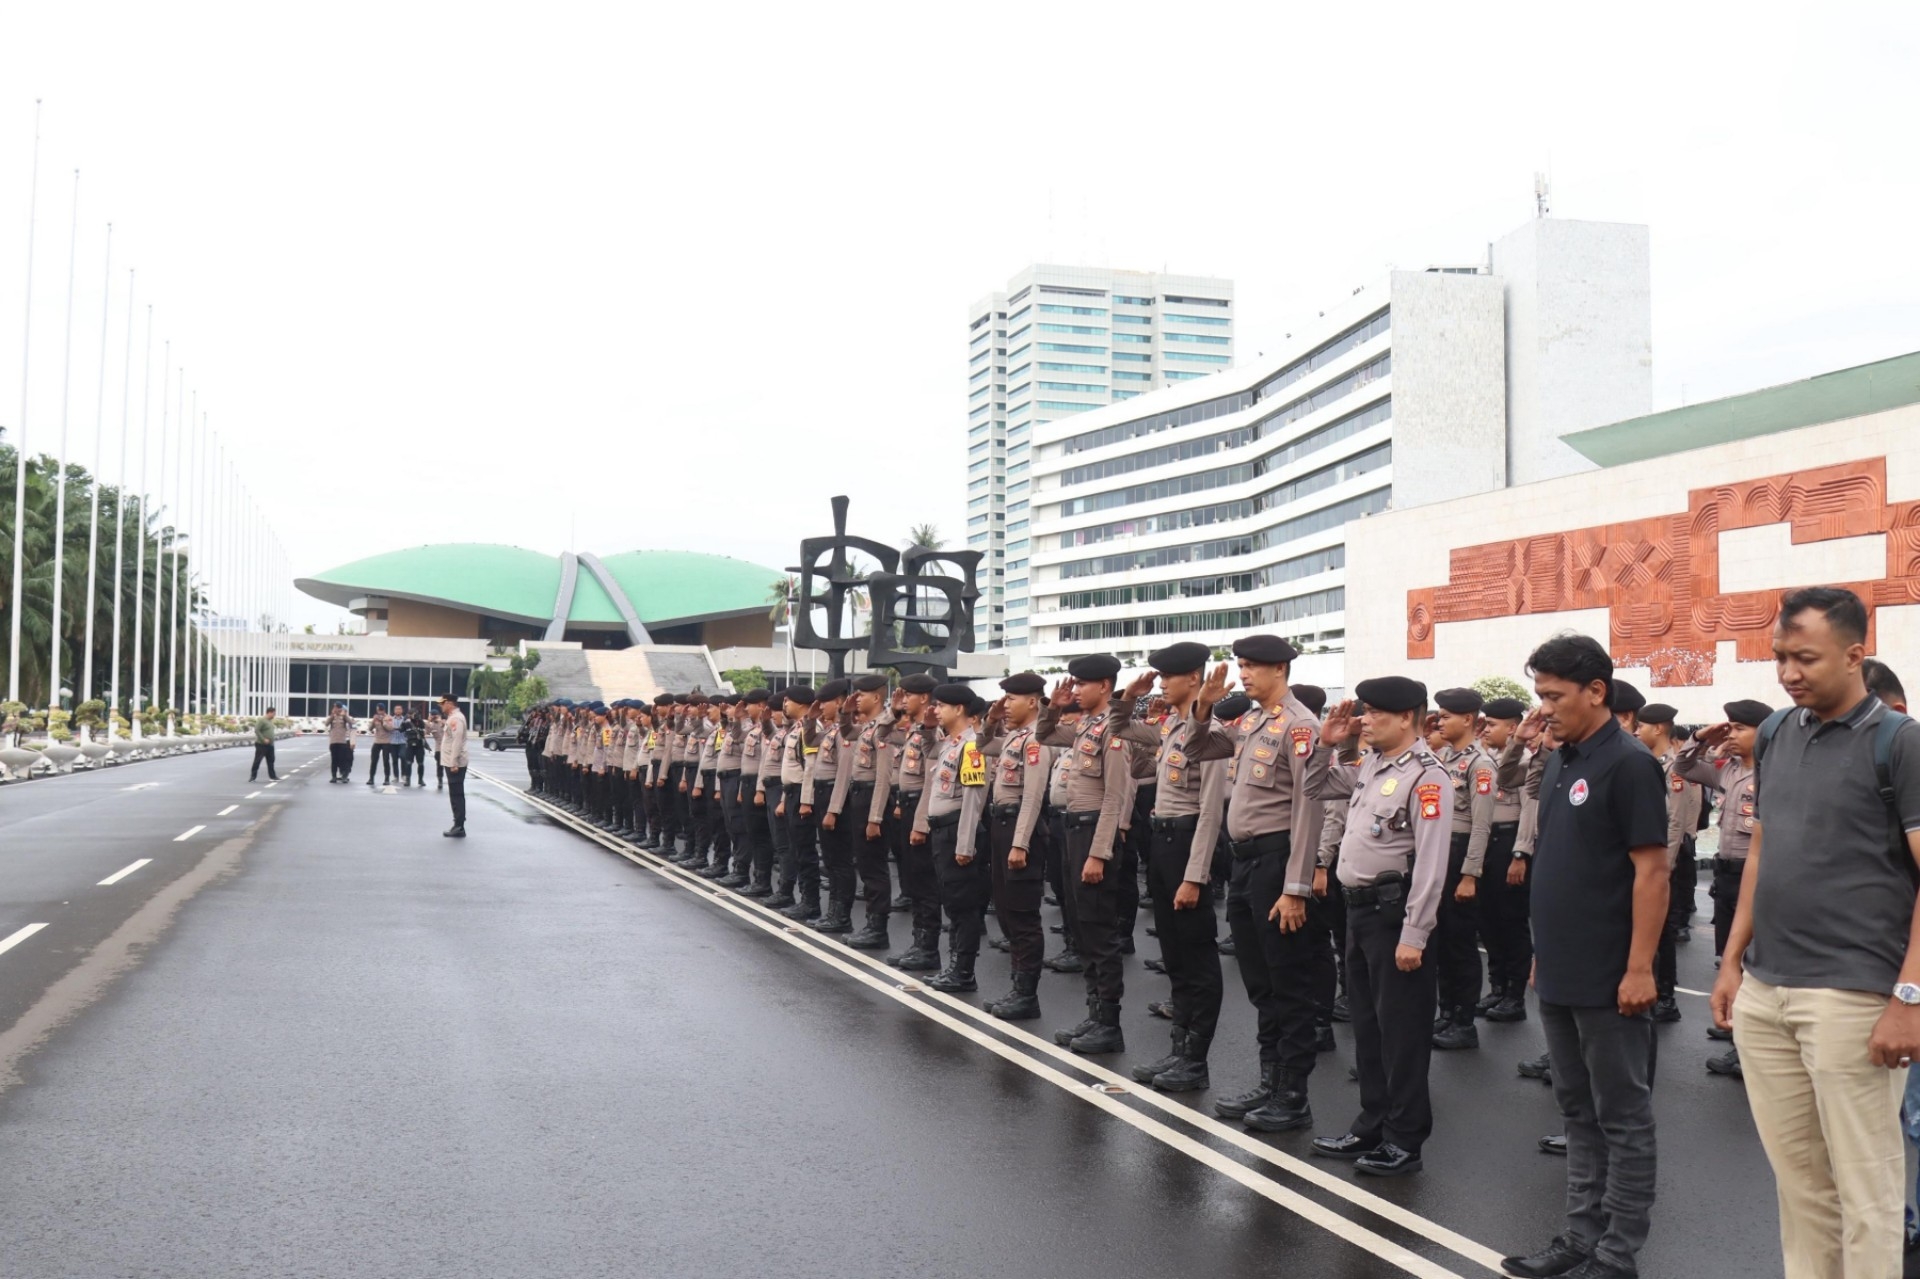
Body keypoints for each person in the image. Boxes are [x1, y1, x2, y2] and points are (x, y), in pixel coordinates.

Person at [1710, 587, 1920, 1279]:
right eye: (1779, 657)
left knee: (1869, 1190)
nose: (1788, 672)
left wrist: (1908, 998)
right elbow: (1763, 851)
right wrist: (1733, 961)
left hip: (1855, 996)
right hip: (1768, 991)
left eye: (1805, 657)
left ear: (1856, 653)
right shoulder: (1774, 732)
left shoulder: (1901, 742)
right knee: (1800, 1185)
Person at [1501, 633, 1668, 1279]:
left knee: (1622, 1117)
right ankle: (1580, 1236)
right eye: (1538, 695)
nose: (1543, 709)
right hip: (1564, 965)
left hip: (1611, 971)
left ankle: (1618, 1253)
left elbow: (1652, 872)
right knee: (1576, 1111)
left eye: (1553, 695)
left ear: (1596, 690)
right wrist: (1545, 949)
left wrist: (1639, 966)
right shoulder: (1566, 758)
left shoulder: (1628, 763)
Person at [1305, 677, 1451, 1177]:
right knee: (1367, 1027)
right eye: (1364, 712)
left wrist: (1416, 933)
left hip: (1394, 917)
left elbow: (1432, 865)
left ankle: (1405, 1139)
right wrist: (1328, 745)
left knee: (1402, 1032)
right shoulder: (1372, 764)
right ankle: (1373, 1122)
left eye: (1375, 713)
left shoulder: (1427, 777)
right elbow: (1316, 786)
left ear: (1407, 716)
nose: (1365, 720)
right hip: (1358, 911)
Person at [1188, 636, 1327, 1132]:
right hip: (1245, 864)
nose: (1244, 675)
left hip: (1276, 863)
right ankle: (1271, 1082)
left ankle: (1294, 1094)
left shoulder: (1301, 726)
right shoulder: (1250, 720)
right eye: (1242, 665)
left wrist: (1296, 887)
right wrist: (1202, 708)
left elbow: (1309, 809)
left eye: (1253, 667)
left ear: (1281, 670)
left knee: (1288, 981)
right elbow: (1197, 748)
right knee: (1260, 982)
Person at [1112, 642, 1227, 1093]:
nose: (1161, 682)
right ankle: (1179, 1049)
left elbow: (1212, 811)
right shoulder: (1170, 728)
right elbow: (1120, 728)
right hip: (1163, 843)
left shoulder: (1209, 734)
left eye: (1168, 676)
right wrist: (1131, 696)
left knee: (1197, 956)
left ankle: (1195, 1060)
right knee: (1175, 957)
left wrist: (1196, 875)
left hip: (1187, 845)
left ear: (1194, 679)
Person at [1036, 655, 1134, 1055]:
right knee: (1081, 926)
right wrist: (1053, 707)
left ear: (1105, 687)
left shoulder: (1113, 729)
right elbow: (1044, 735)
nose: (1075, 690)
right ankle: (1094, 1014)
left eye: (1082, 685)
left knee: (1099, 930)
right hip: (1074, 829)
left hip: (1094, 832)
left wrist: (1099, 853)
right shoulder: (1085, 726)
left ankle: (1109, 1023)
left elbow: (1115, 796)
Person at [1676, 697, 1771, 1077]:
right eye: (1728, 728)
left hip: (1757, 878)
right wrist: (1700, 736)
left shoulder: (1772, 774)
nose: (1730, 735)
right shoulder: (1728, 771)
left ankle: (1748, 1048)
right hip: (1726, 875)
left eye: (1740, 729)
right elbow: (1683, 765)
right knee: (1727, 958)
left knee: (1751, 963)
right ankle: (1736, 1029)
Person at [980, 671, 1053, 1020]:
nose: (1005, 705)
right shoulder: (1014, 737)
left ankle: (1027, 994)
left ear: (1033, 701)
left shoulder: (1036, 740)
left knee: (1023, 914)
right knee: (1007, 909)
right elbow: (982, 745)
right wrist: (991, 719)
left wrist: (1020, 843)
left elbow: (1033, 795)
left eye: (1011, 699)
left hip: (1019, 831)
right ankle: (1017, 986)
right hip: (1001, 825)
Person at [913, 683, 992, 992]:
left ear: (959, 709)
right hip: (942, 831)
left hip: (957, 830)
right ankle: (954, 966)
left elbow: (975, 797)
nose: (936, 710)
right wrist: (928, 728)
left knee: (963, 906)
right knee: (953, 903)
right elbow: (930, 751)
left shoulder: (972, 746)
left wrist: (965, 843)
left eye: (941, 706)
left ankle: (963, 972)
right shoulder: (950, 742)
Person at [1431, 687, 1496, 1050]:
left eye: (1446, 716)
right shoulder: (1442, 756)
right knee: (1440, 940)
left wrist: (1470, 874)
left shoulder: (1480, 764)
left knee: (1460, 944)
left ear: (1468, 719)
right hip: (1441, 851)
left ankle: (1464, 1022)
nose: (1439, 721)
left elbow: (1482, 825)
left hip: (1460, 857)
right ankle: (1447, 1012)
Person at [1635, 703, 1701, 1025]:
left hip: (1668, 857)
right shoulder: (1651, 763)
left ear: (1658, 729)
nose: (1637, 732)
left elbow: (1674, 821)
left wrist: (1667, 863)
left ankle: (1666, 998)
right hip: (1660, 856)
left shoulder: (1674, 768)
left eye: (1642, 727)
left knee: (1663, 931)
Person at [831, 674, 898, 949]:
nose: (856, 698)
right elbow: (847, 733)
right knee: (866, 865)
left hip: (872, 798)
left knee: (874, 868)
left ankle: (877, 928)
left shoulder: (885, 727)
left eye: (861, 694)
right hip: (859, 796)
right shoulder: (869, 726)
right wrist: (845, 714)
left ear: (877, 698)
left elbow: (884, 776)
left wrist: (875, 818)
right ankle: (872, 924)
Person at [1478, 698, 1533, 1022]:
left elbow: (1530, 810)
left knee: (1511, 923)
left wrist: (1520, 854)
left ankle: (1515, 996)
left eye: (1493, 725)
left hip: (1509, 842)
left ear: (1512, 728)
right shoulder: (1486, 759)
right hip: (1487, 842)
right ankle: (1496, 987)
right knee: (1488, 920)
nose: (1486, 729)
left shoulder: (1524, 760)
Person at [439, 693, 469, 838]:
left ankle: (459, 826)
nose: (441, 706)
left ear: (449, 703)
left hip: (455, 762)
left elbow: (457, 742)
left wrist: (454, 762)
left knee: (457, 794)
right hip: (451, 761)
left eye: (443, 704)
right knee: (455, 794)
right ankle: (457, 824)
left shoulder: (456, 719)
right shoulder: (452, 718)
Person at [366, 704, 394, 787]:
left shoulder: (388, 717)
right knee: (374, 760)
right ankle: (371, 778)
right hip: (377, 741)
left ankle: (387, 779)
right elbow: (370, 729)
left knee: (386, 761)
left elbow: (390, 728)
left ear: (383, 710)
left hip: (386, 742)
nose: (379, 712)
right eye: (378, 710)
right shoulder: (376, 718)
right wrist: (373, 721)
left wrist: (382, 721)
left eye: (380, 710)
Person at [325, 702, 354, 783]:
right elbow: (326, 724)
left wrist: (344, 715)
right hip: (333, 741)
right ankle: (333, 776)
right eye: (335, 708)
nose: (336, 709)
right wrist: (332, 715)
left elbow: (351, 723)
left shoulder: (344, 717)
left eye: (338, 708)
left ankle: (344, 776)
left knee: (342, 760)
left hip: (342, 742)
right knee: (334, 760)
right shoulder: (332, 717)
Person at [249, 706, 279, 781]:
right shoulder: (262, 720)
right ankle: (253, 777)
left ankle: (272, 776)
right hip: (261, 745)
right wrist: (263, 739)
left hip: (270, 745)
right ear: (269, 712)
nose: (274, 715)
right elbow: (257, 730)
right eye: (273, 714)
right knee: (258, 760)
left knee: (271, 761)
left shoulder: (270, 721)